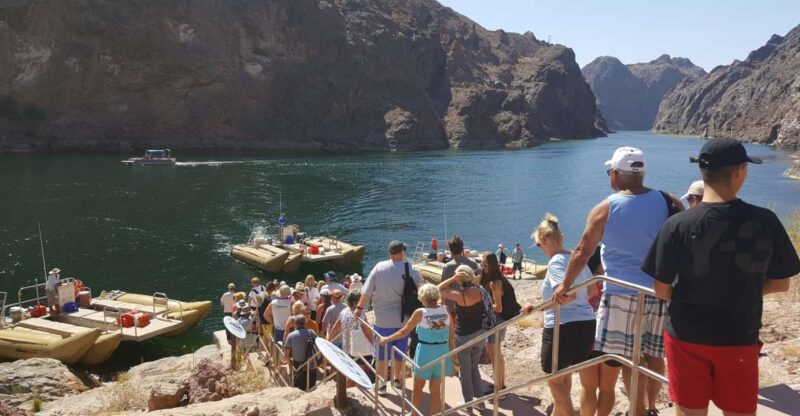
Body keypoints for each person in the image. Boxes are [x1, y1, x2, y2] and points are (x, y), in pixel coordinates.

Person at [643, 138, 800, 416]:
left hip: (685, 337)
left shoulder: (676, 225)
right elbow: (781, 283)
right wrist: (742, 289)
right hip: (739, 337)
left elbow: (661, 288)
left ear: (703, 173)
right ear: (741, 170)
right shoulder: (766, 221)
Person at [554, 146, 683, 416]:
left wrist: (565, 286)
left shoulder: (606, 207)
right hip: (658, 292)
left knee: (626, 357)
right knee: (652, 353)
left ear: (616, 174)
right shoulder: (669, 201)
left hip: (620, 294)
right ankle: (648, 407)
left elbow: (582, 251)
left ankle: (637, 410)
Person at [522, 213, 601, 416]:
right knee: (563, 377)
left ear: (545, 241)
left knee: (553, 380)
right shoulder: (577, 259)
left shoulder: (556, 262)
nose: (541, 249)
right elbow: (592, 292)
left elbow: (565, 295)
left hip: (563, 327)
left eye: (539, 245)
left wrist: (540, 308)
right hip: (586, 324)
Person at [356, 240, 425, 396]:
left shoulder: (379, 267)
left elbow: (366, 293)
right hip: (403, 320)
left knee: (381, 355)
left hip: (382, 321)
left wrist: (359, 310)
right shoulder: (410, 267)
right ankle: (397, 379)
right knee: (399, 353)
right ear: (402, 253)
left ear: (390, 253)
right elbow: (423, 288)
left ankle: (381, 384)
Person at [379, 284, 451, 414]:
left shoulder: (421, 313)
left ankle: (413, 414)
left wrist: (387, 339)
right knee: (435, 391)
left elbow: (404, 332)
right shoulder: (445, 309)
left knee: (417, 388)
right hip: (442, 351)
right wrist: (452, 354)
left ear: (422, 298)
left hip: (425, 352)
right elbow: (451, 333)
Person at [439, 265, 490, 407]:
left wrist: (452, 278)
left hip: (463, 338)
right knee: (474, 367)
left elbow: (439, 289)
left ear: (460, 278)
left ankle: (468, 405)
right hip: (480, 334)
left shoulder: (459, 295)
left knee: (465, 371)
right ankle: (480, 403)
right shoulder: (480, 290)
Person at [480, 252, 520, 394]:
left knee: (494, 355)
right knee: (498, 354)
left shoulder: (495, 283)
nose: (483, 267)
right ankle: (501, 384)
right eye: (482, 264)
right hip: (502, 320)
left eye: (485, 265)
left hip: (498, 320)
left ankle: (498, 389)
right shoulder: (499, 279)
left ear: (490, 266)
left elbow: (499, 307)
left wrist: (485, 305)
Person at [329, 290, 375, 386]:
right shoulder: (360, 314)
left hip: (347, 348)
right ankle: (349, 393)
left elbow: (334, 329)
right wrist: (375, 345)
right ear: (355, 303)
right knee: (358, 376)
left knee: (352, 374)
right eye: (361, 301)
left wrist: (328, 342)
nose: (364, 303)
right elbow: (368, 333)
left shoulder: (344, 311)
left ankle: (348, 390)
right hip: (360, 349)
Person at [284, 314, 318, 391]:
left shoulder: (291, 335)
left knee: (299, 389)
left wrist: (289, 364)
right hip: (311, 363)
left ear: (295, 324)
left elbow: (286, 354)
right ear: (304, 323)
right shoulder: (312, 332)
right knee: (312, 388)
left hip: (298, 366)